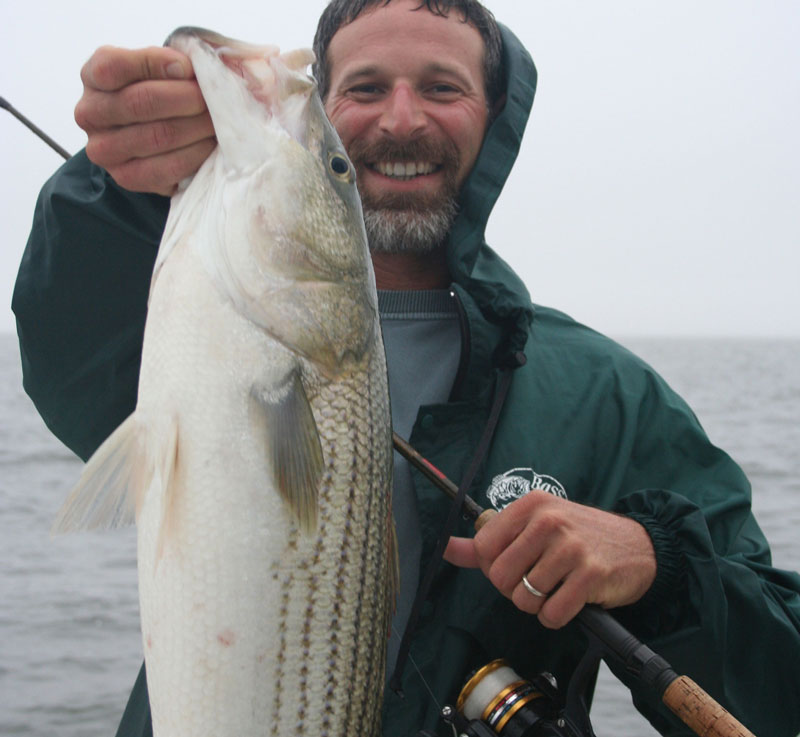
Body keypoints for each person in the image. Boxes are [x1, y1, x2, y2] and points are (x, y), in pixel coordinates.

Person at [12, 1, 800, 735]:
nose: (400, 118)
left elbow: (781, 676)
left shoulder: (608, 396)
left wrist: (658, 565)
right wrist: (119, 182)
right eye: (363, 87)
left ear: (494, 119)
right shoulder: (177, 325)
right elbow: (67, 326)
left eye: (441, 87)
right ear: (323, 105)